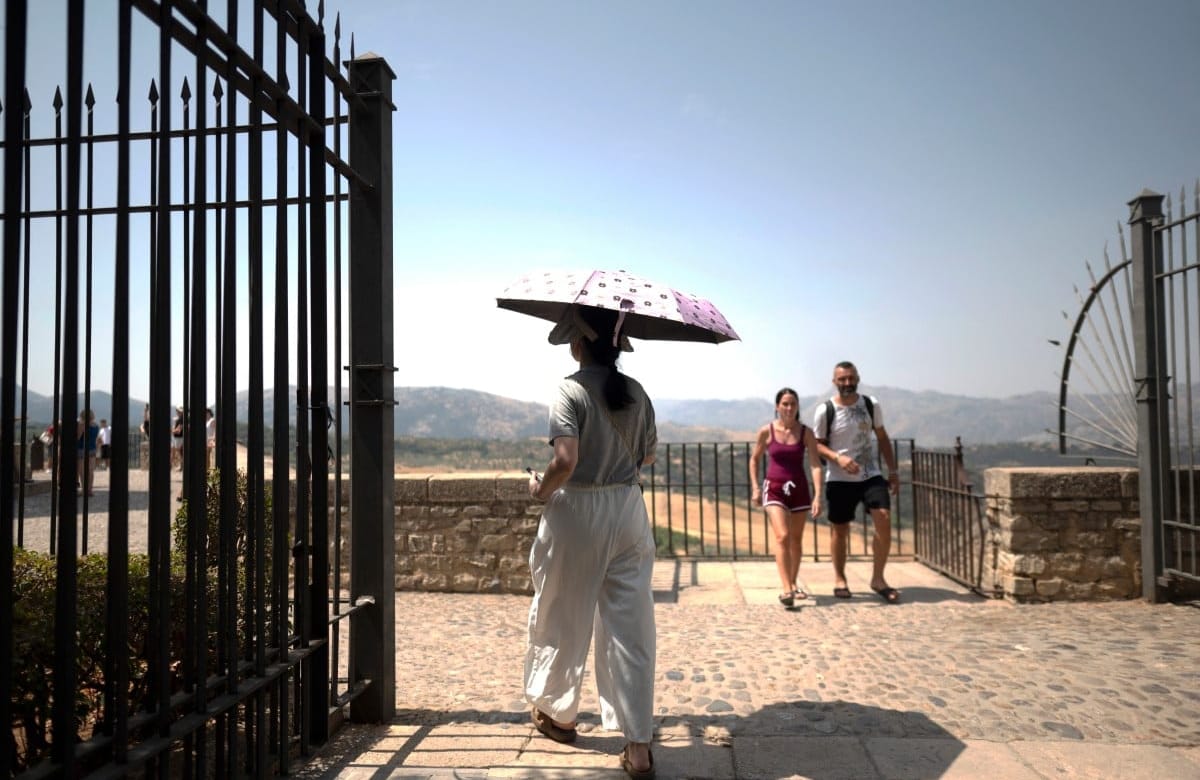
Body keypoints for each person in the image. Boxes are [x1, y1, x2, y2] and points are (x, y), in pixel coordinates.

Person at [524, 304, 658, 779]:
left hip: (578, 511)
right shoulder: (638, 393)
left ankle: (560, 715)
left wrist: (540, 490)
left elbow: (565, 460)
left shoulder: (570, 390)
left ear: (579, 344)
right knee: (632, 628)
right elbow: (646, 456)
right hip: (628, 511)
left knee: (564, 612)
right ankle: (638, 746)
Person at [813, 361, 902, 603]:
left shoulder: (871, 405)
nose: (847, 383)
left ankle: (878, 579)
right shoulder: (825, 410)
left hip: (870, 474)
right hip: (839, 478)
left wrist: (892, 471)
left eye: (851, 378)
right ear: (834, 381)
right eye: (842, 379)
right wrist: (837, 458)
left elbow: (882, 437)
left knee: (883, 518)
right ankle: (840, 578)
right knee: (840, 529)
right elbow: (817, 444)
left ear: (858, 378)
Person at [749, 387, 824, 607]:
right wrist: (755, 487)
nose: (789, 408)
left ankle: (792, 582)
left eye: (793, 404)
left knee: (796, 540)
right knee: (782, 536)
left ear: (797, 406)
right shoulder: (767, 431)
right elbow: (754, 459)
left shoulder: (806, 433)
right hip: (774, 489)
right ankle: (786, 588)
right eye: (785, 404)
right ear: (777, 406)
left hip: (799, 490)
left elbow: (815, 464)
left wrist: (818, 495)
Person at [76, 409, 100, 496]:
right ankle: (89, 490)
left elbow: (78, 437)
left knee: (82, 472)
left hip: (82, 449)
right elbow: (96, 439)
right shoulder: (96, 426)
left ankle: (84, 490)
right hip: (92, 450)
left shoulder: (82, 425)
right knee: (90, 471)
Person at [171, 405, 184, 470]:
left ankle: (181, 466)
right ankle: (180, 466)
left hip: (179, 438)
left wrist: (171, 431)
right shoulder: (179, 419)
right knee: (178, 452)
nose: (177, 412)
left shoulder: (181, 420)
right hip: (176, 438)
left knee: (180, 453)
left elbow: (179, 430)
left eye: (178, 411)